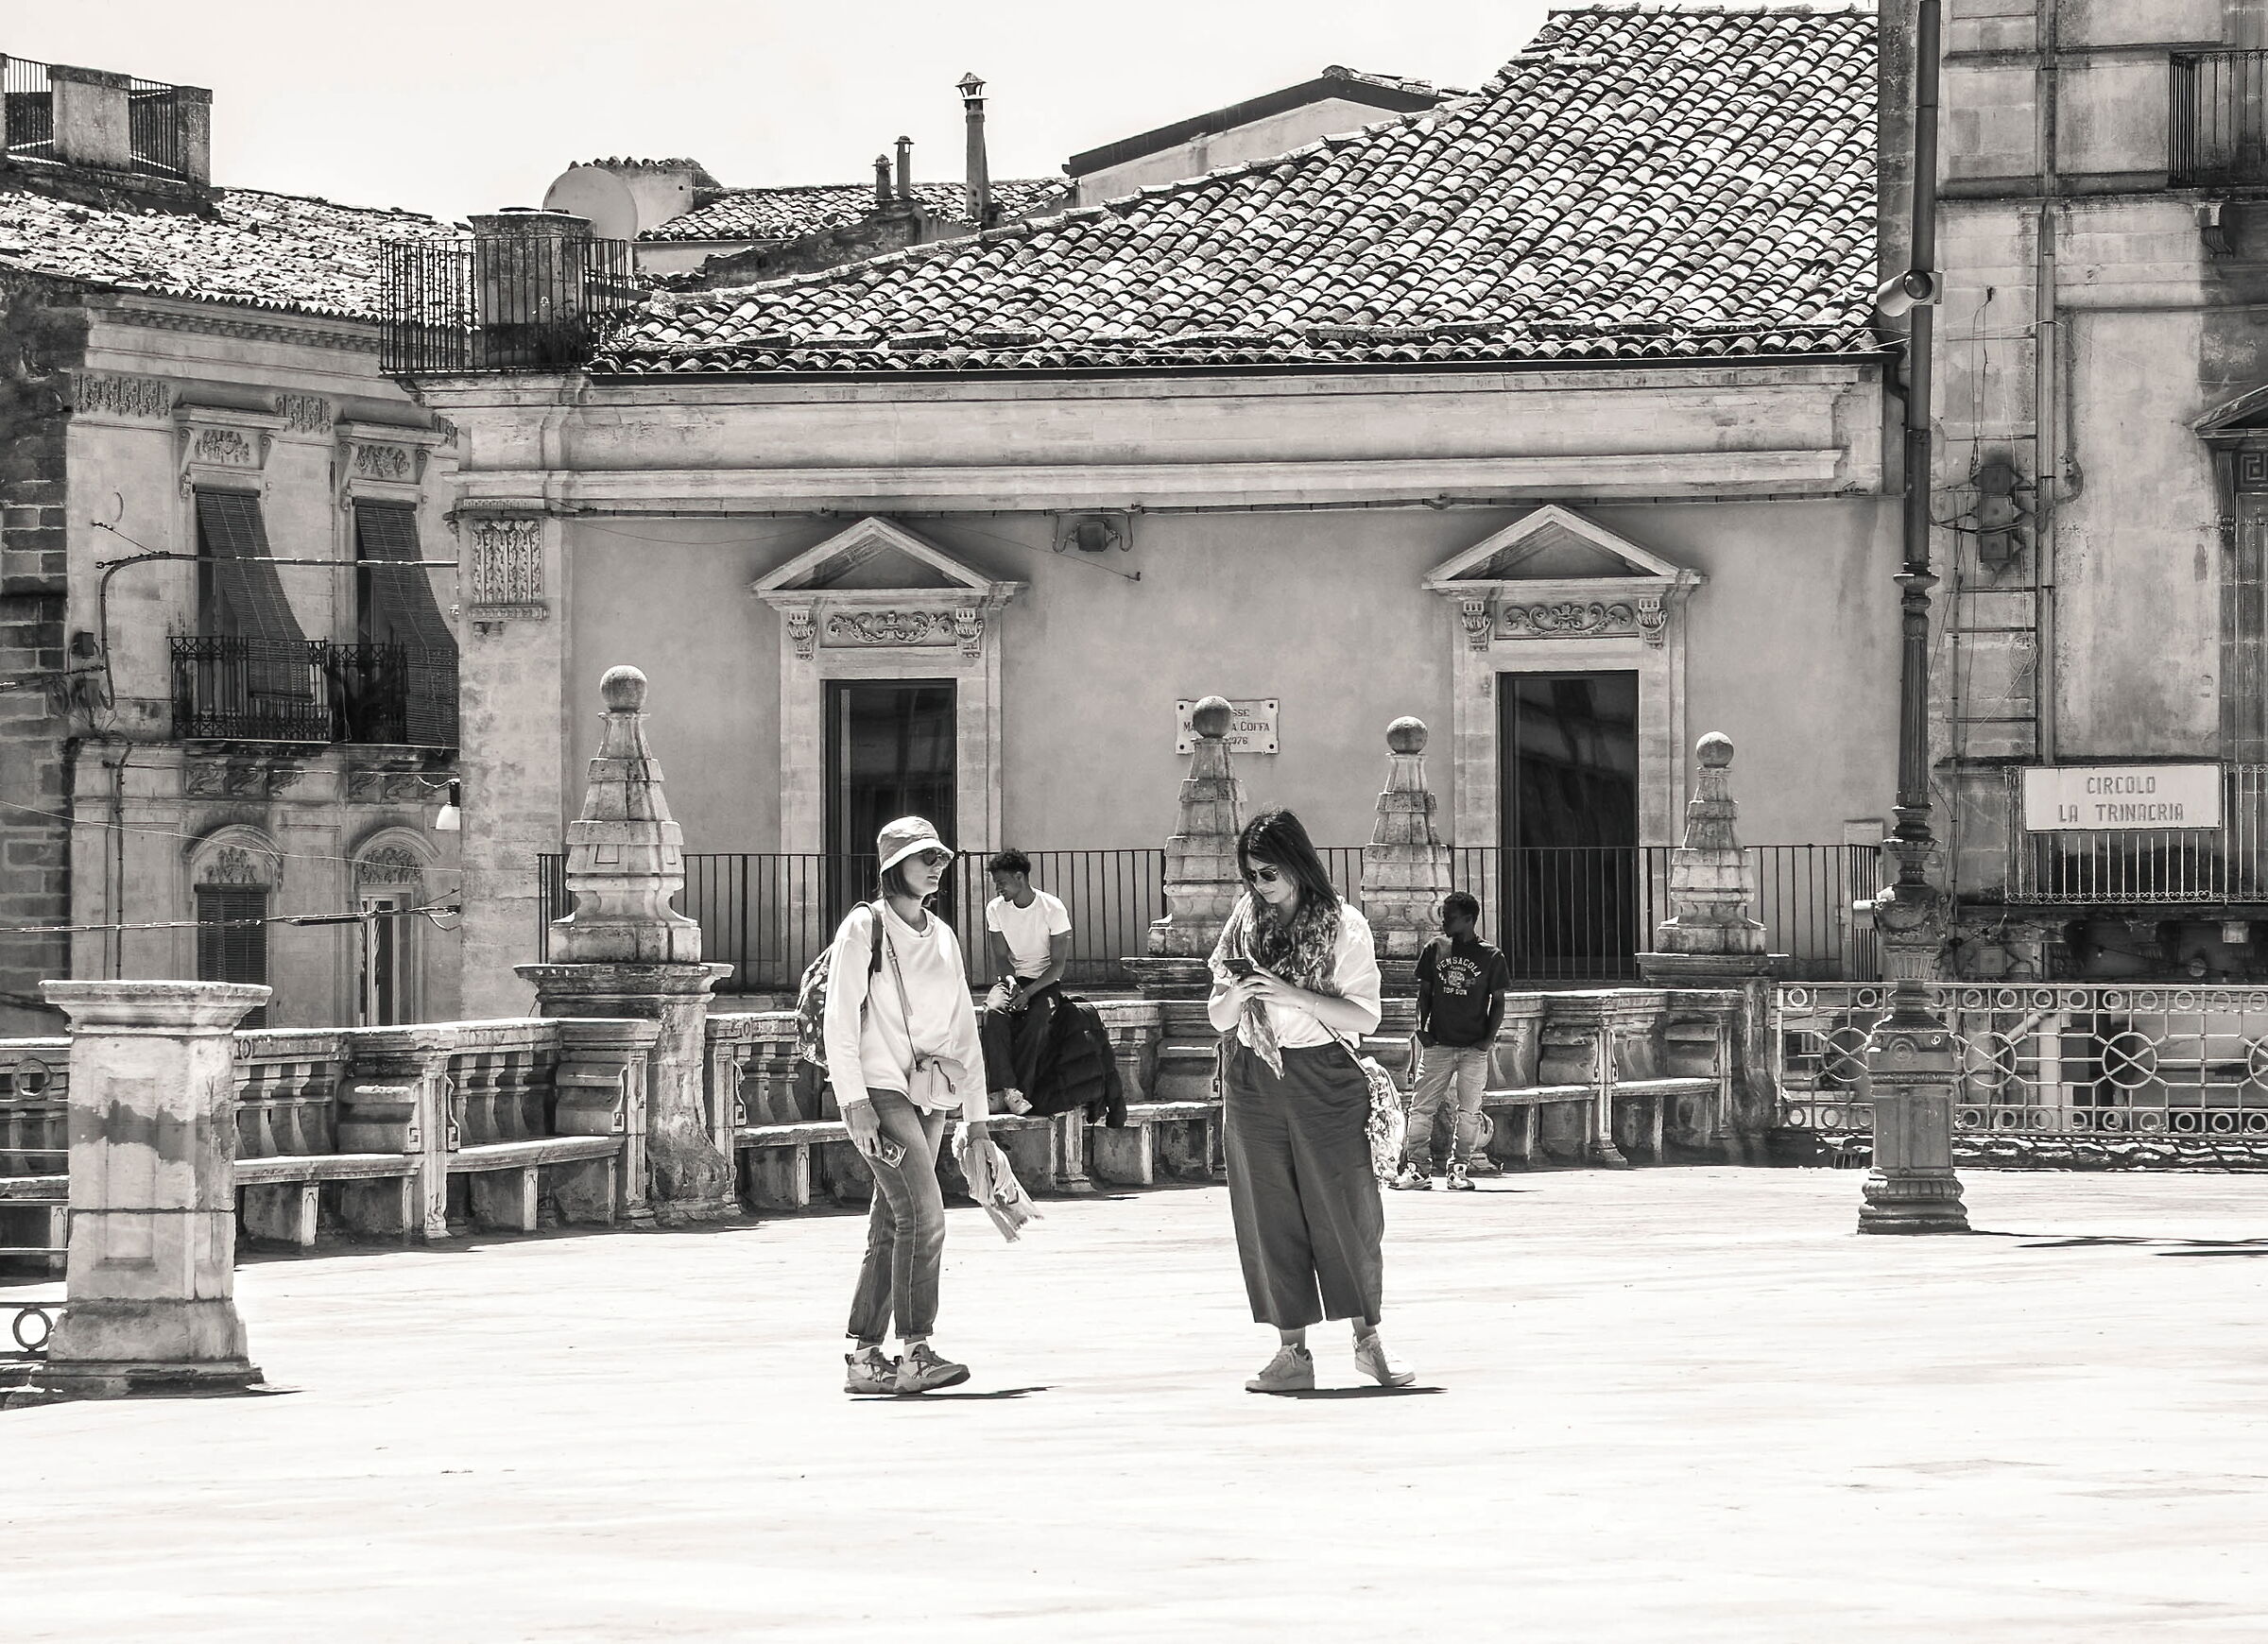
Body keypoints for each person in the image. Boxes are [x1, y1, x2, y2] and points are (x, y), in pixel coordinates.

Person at [1209, 807, 1416, 1394]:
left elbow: (1366, 1015)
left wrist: (1290, 994)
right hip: (1252, 1074)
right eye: (1250, 875)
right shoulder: (1243, 924)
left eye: (1268, 873)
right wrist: (1237, 996)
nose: (1258, 887)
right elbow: (1217, 1013)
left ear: (1297, 865)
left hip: (1324, 1076)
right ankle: (1290, 1352)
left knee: (1346, 1209)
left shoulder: (1344, 925)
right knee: (1266, 1212)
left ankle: (1368, 1340)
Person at [822, 815, 991, 1396]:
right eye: (927, 858)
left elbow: (964, 1028)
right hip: (880, 1092)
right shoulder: (863, 927)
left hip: (933, 1093)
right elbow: (839, 1021)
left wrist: (980, 1121)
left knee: (893, 1220)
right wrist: (854, 1103)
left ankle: (866, 1358)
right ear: (895, 865)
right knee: (926, 1214)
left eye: (942, 858)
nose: (938, 866)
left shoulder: (942, 936)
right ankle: (916, 1349)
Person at [1394, 892, 1512, 1193]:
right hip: (1437, 1043)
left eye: (1450, 916)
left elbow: (1498, 1001)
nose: (1443, 921)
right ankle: (1417, 1169)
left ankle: (1458, 1168)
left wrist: (1487, 1039)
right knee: (1421, 1108)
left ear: (1470, 919)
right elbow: (1424, 994)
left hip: (1473, 1046)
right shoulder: (1435, 948)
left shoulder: (1491, 956)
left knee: (1469, 1110)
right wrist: (1420, 1027)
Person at [978, 849, 1073, 1116]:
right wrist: (1012, 984)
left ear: (1019, 877)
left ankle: (1020, 1090)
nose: (998, 889)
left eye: (1002, 883)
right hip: (1012, 980)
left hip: (1044, 982)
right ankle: (1005, 1090)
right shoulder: (995, 909)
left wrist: (1030, 992)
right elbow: (1000, 957)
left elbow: (1057, 967)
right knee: (993, 1013)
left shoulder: (1052, 908)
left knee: (1038, 1019)